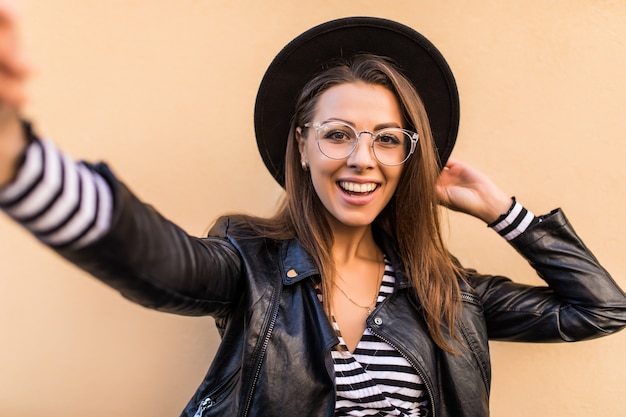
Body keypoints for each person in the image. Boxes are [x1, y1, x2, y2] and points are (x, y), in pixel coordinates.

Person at [1, 9, 625, 417]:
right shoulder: (250, 264)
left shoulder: (447, 292)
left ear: (409, 158)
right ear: (301, 144)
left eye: (387, 139)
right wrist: (19, 165)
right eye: (338, 134)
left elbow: (601, 309)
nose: (363, 159)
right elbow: (157, 260)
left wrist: (501, 210)